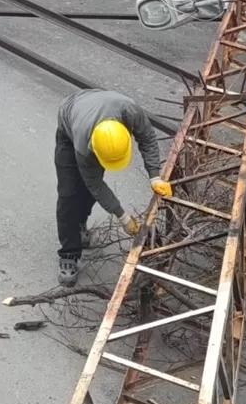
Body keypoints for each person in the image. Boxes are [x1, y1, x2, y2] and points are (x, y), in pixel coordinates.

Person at [55, 89, 172, 287]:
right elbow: (96, 185)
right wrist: (123, 217)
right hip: (70, 121)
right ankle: (69, 254)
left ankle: (80, 224)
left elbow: (148, 138)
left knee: (86, 193)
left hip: (96, 107)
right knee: (69, 194)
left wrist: (155, 176)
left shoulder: (130, 111)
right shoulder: (84, 142)